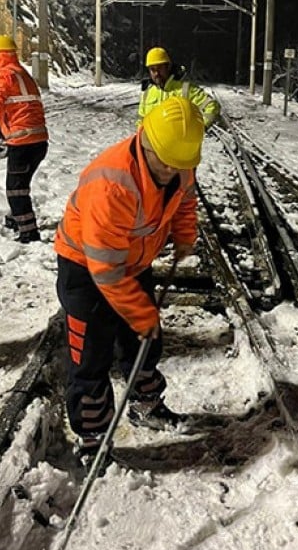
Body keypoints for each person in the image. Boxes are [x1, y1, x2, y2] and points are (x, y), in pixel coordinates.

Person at [53, 96, 204, 464]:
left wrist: (184, 233)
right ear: (146, 141)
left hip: (134, 261)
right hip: (86, 269)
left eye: (179, 165)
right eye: (164, 162)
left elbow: (184, 200)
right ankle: (92, 441)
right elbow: (105, 270)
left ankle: (146, 404)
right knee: (90, 356)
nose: (171, 170)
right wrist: (139, 310)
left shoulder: (179, 157)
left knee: (143, 343)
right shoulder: (112, 183)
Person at [0, 34, 49, 243]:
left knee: (15, 189)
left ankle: (28, 232)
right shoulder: (22, 73)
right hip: (38, 141)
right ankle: (17, 219)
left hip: (22, 142)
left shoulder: (5, 74)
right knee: (21, 185)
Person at [137, 47, 221, 128]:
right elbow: (141, 121)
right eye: (153, 69)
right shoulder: (147, 93)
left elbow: (211, 106)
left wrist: (200, 128)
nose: (156, 73)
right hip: (155, 142)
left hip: (181, 142)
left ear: (168, 67)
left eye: (160, 68)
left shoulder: (185, 89)